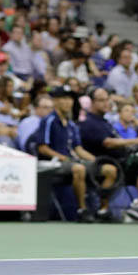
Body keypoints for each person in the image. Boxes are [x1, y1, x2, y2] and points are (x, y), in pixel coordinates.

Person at [79, 87, 138, 223]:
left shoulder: (105, 122)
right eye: (101, 100)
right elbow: (108, 143)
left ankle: (136, 207)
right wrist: (136, 140)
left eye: (107, 99)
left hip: (121, 162)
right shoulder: (89, 123)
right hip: (105, 162)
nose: (106, 103)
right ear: (92, 102)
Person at [33, 88, 101, 223]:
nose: (67, 102)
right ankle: (82, 210)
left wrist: (96, 160)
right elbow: (42, 148)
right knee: (79, 169)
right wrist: (63, 158)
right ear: (56, 102)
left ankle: (102, 209)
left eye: (69, 99)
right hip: (51, 164)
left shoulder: (71, 124)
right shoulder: (49, 121)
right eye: (63, 99)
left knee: (107, 169)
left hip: (70, 162)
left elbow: (78, 149)